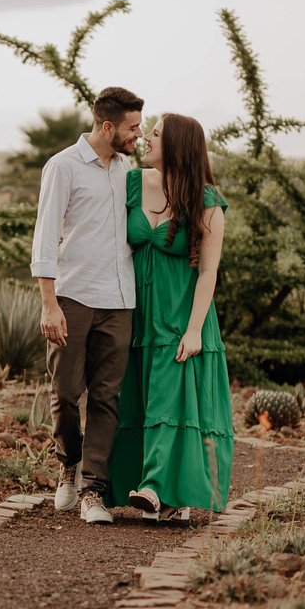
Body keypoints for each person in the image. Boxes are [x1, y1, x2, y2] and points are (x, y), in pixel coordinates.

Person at [109, 113, 234, 521]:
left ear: (177, 146)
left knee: (168, 401)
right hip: (135, 315)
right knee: (137, 403)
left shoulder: (208, 201)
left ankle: (152, 487)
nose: (145, 138)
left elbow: (209, 271)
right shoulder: (131, 182)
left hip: (181, 318)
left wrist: (195, 329)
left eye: (156, 134)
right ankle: (161, 496)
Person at [31, 87, 143, 525]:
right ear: (107, 126)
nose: (138, 135)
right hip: (72, 297)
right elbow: (44, 237)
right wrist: (49, 304)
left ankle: (93, 491)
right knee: (64, 392)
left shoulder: (128, 168)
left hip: (119, 301)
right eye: (132, 127)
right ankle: (68, 465)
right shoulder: (63, 166)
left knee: (106, 397)